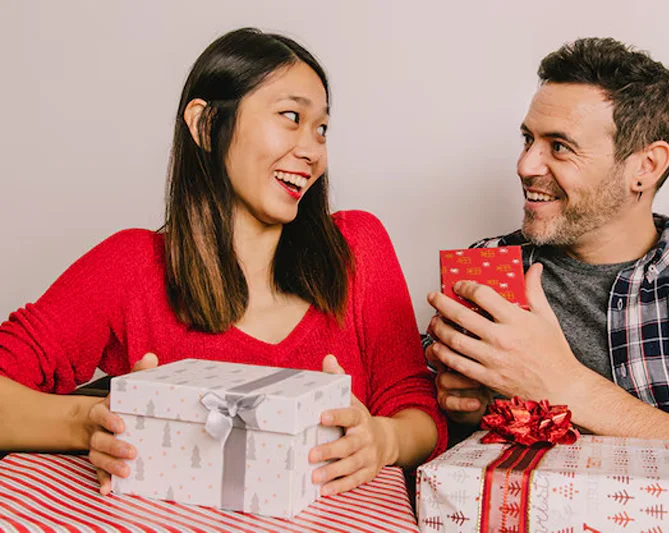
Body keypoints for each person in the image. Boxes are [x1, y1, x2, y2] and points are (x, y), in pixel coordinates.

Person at [0, 28, 446, 496]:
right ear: (206, 125)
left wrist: (384, 439)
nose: (313, 150)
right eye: (291, 117)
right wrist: (90, 421)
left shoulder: (357, 246)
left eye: (322, 129)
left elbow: (416, 409)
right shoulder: (132, 265)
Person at [425, 37, 669, 445]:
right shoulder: (489, 267)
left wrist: (563, 385)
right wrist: (462, 410)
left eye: (560, 147)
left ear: (645, 166)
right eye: (528, 140)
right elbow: (429, 428)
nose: (525, 165)